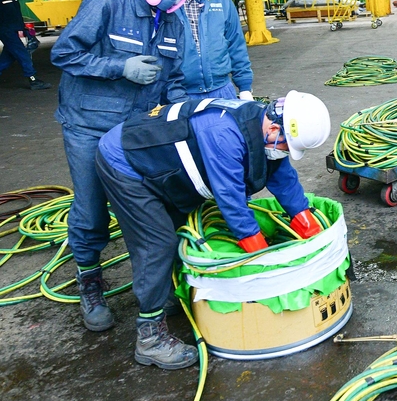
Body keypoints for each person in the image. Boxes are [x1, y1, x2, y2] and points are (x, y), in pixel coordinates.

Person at [95, 91, 332, 369]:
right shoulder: (223, 133)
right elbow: (231, 200)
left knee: (179, 227)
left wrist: (309, 227)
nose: (283, 153)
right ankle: (150, 338)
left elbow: (281, 175)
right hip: (126, 162)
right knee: (157, 243)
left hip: (161, 165)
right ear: (275, 128)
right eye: (285, 146)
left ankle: (167, 295)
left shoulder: (263, 124)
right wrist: (264, 265)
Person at [51, 0, 206, 333]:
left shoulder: (173, 26)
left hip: (134, 131)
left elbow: (173, 82)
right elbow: (65, 54)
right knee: (91, 209)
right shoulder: (105, 2)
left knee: (151, 207)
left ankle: (155, 285)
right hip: (88, 124)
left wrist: (183, 116)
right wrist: (120, 67)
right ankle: (89, 281)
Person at [0, 0, 50, 90]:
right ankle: (33, 79)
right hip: (6, 30)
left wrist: (23, 28)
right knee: (23, 54)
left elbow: (14, 13)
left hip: (12, 29)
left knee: (9, 56)